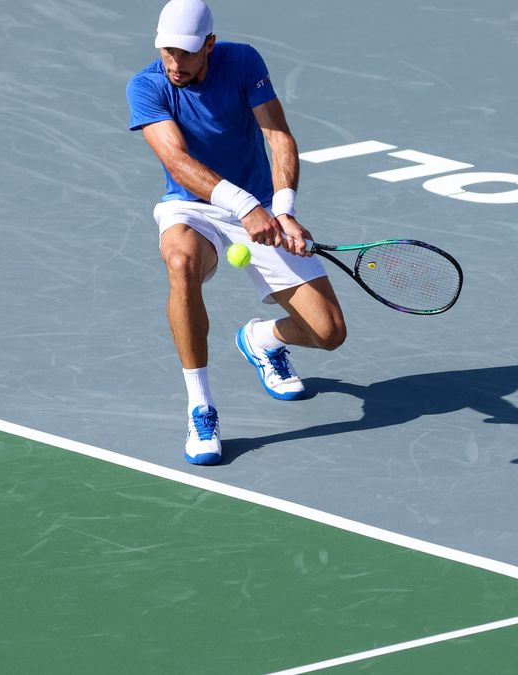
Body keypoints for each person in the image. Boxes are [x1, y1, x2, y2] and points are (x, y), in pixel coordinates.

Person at [126, 0, 346, 466]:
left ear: (209, 44)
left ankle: (263, 340)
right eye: (166, 51)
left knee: (328, 333)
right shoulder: (146, 86)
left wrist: (282, 209)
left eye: (185, 53)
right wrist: (244, 207)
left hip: (261, 207)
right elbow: (177, 163)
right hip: (192, 206)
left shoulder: (243, 60)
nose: (174, 63)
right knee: (181, 262)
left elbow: (278, 135)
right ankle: (200, 406)